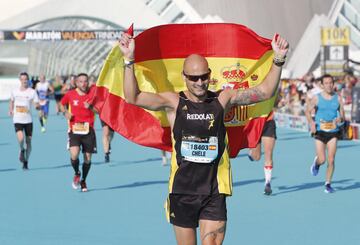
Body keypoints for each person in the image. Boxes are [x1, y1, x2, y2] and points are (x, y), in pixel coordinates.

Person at [119, 32, 288, 244]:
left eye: (204, 77)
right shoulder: (173, 103)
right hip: (182, 190)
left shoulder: (222, 99)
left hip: (214, 190)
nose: (200, 82)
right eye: (193, 78)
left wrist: (278, 58)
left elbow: (264, 92)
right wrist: (128, 59)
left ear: (210, 75)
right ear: (184, 77)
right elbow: (132, 96)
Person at [306, 74, 345, 194]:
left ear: (333, 84)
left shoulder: (338, 98)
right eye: (326, 83)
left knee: (331, 160)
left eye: (331, 83)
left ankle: (328, 183)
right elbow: (307, 111)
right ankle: (316, 163)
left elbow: (343, 116)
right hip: (320, 131)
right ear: (322, 85)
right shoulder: (316, 98)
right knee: (322, 159)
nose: (329, 85)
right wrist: (312, 123)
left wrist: (340, 119)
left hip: (333, 132)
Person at [60, 73, 97, 192]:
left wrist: (90, 107)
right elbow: (62, 104)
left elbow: (99, 110)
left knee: (87, 158)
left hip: (89, 130)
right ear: (76, 83)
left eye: (85, 81)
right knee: (74, 154)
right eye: (81, 81)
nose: (83, 84)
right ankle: (77, 173)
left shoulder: (92, 94)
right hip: (74, 129)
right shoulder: (70, 94)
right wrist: (65, 113)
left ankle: (84, 180)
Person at [9, 72, 40, 170]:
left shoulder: (32, 92)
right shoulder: (15, 91)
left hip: (28, 120)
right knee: (21, 138)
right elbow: (12, 101)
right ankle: (22, 150)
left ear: (28, 80)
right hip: (17, 119)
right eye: (22, 79)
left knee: (29, 142)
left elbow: (36, 103)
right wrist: (11, 109)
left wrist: (37, 106)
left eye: (25, 79)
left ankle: (26, 161)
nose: (24, 81)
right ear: (20, 80)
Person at [247, 111, 277, 195]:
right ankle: (251, 153)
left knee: (269, 154)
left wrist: (279, 103)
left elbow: (277, 102)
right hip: (254, 122)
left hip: (268, 122)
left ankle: (267, 183)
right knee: (256, 157)